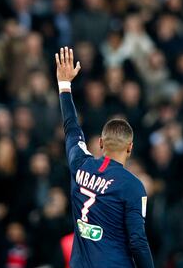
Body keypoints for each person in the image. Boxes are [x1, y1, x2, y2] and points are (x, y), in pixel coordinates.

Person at [55, 46, 154, 268]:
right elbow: (138, 241)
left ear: (100, 143)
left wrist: (64, 85)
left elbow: (71, 127)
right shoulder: (133, 186)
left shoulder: (80, 163)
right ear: (130, 147)